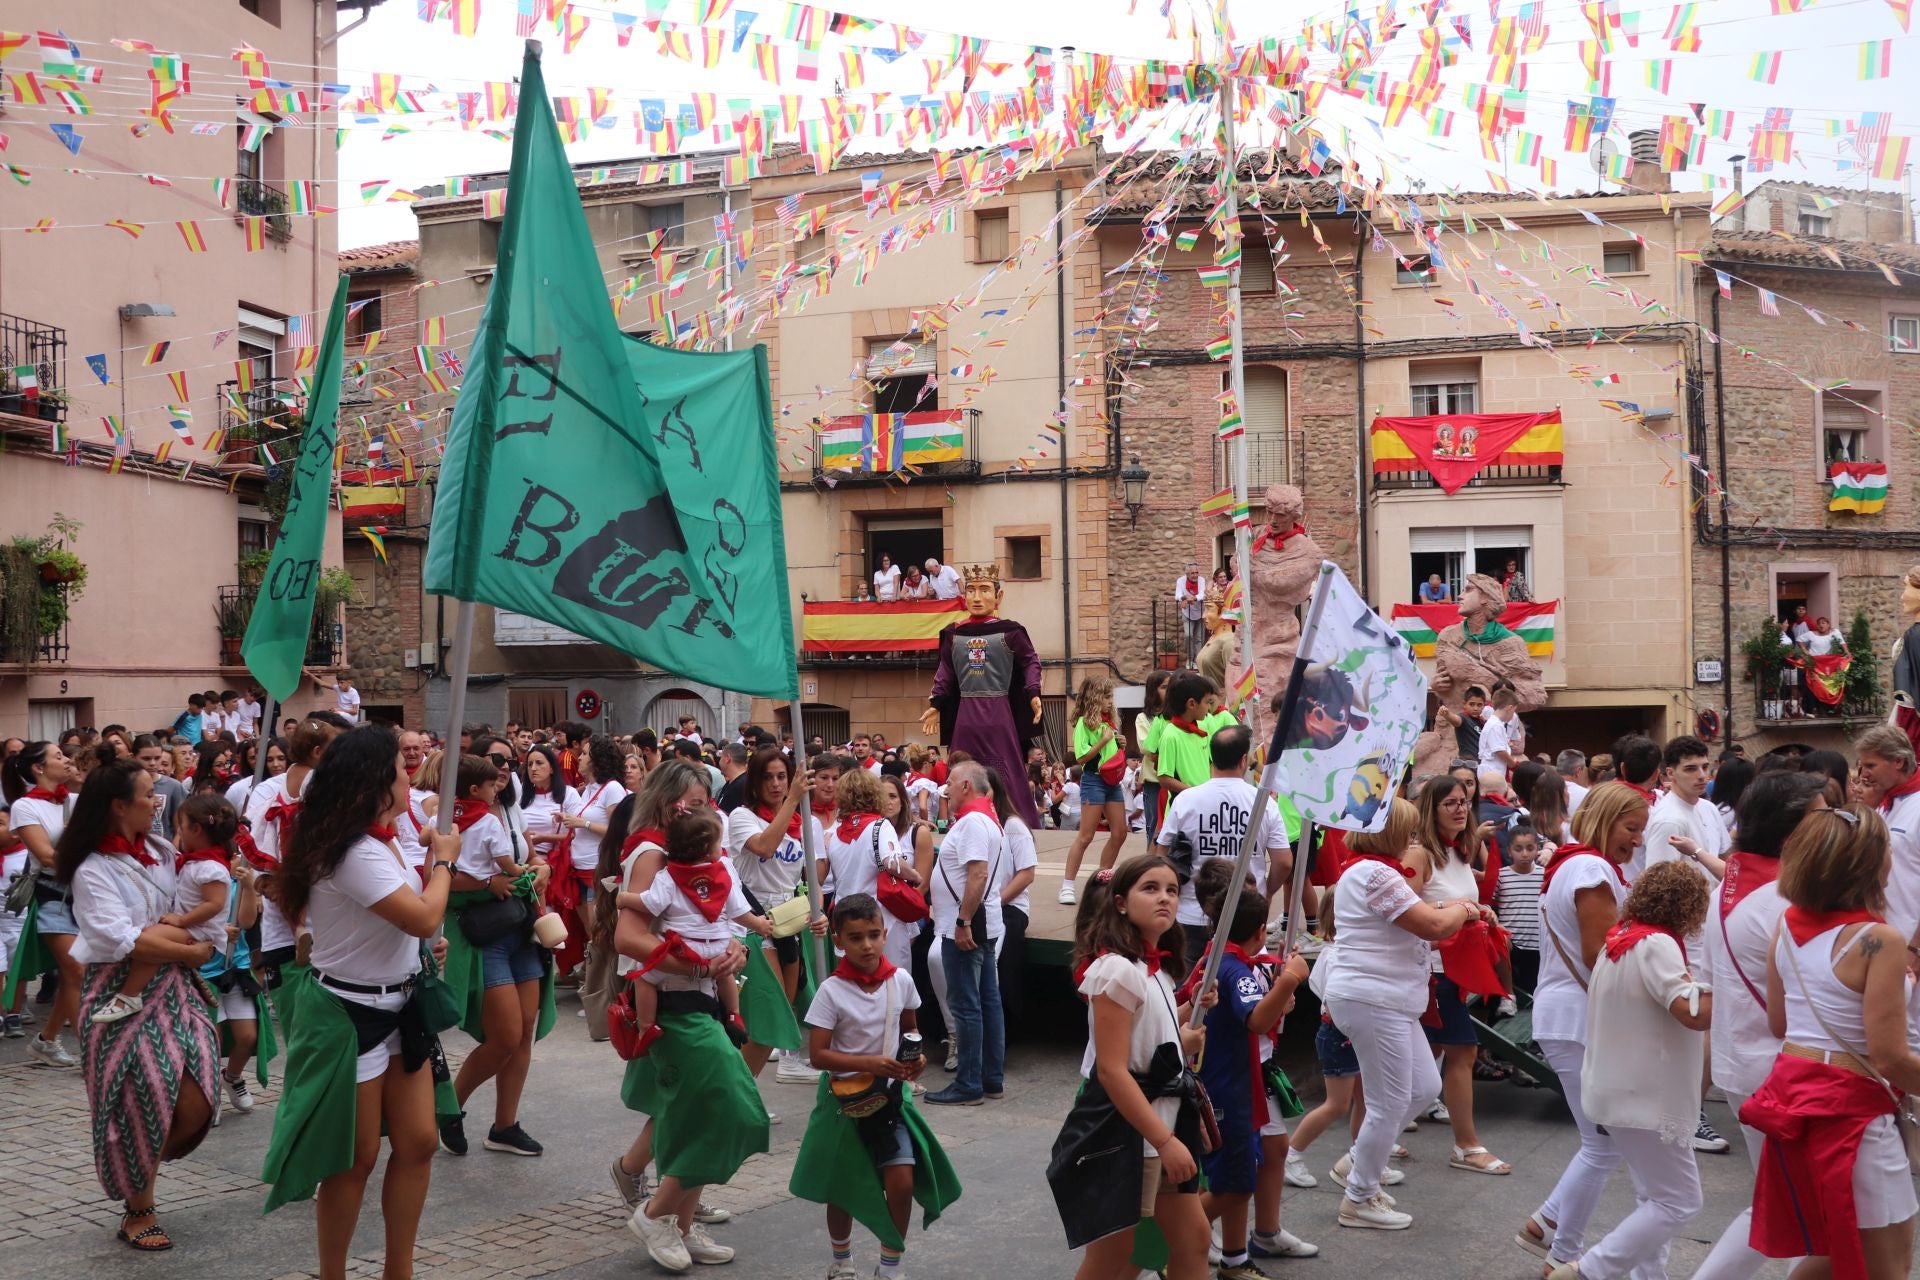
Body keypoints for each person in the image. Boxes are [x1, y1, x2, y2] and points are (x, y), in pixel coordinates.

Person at [258, 725, 459, 1280]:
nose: (409, 774)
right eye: (400, 768)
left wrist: (417, 942)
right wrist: (444, 862)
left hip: (401, 1006)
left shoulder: (382, 837)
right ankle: (334, 1275)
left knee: (418, 1142)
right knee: (355, 1157)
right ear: (374, 779)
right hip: (349, 1013)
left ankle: (401, 1271)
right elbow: (422, 912)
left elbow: (410, 921)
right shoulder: (351, 849)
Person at [1740, 803, 1920, 1280]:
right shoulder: (1879, 939)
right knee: (1890, 1264)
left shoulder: (1785, 925)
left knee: (1843, 1253)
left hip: (1798, 1098)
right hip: (1853, 1112)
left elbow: (1781, 1024)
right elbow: (1889, 1055)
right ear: (1866, 861)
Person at [609, 765, 772, 1273]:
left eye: (708, 800)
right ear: (667, 803)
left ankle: (677, 1221)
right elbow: (629, 939)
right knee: (727, 1107)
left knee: (696, 1109)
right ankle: (658, 1214)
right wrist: (702, 962)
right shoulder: (654, 854)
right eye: (694, 802)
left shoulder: (696, 854)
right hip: (673, 1004)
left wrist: (733, 953)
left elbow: (726, 920)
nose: (705, 810)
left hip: (702, 1000)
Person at [58, 759, 222, 1253]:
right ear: (118, 804)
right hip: (116, 992)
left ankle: (129, 1160)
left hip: (175, 988)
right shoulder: (91, 868)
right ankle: (138, 1207)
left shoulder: (162, 850)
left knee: (196, 1099)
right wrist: (191, 948)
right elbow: (119, 938)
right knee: (142, 1096)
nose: (158, 802)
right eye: (149, 794)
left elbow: (193, 908)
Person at [1311, 796, 1484, 1230]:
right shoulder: (1374, 873)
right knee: (1389, 1100)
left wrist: (1458, 914)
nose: (1411, 840)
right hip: (1376, 998)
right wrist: (1465, 908)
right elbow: (1431, 925)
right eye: (1407, 832)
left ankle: (1358, 1163)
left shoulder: (1369, 870)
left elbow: (1424, 919)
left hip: (1387, 998)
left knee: (1423, 1088)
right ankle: (1359, 1197)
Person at [1049, 855, 1213, 1279]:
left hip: (1162, 1123)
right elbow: (1112, 1070)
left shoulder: (1152, 968)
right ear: (1120, 903)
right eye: (1150, 888)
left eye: (1172, 890)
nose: (1165, 898)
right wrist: (1165, 1141)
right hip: (1132, 1134)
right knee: (1114, 1258)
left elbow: (1148, 1031)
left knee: (1193, 1239)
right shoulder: (1117, 971)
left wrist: (1187, 1012)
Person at [1551, 862, 1714, 1280]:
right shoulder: (1657, 944)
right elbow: (1690, 1012)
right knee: (1679, 1201)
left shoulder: (1619, 940)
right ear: (1688, 907)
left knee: (1656, 1198)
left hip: (1617, 1089)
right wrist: (1727, 986)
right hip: (1645, 1094)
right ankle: (1588, 1270)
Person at [1692, 771, 1825, 1280]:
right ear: (1791, 834)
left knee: (1783, 1208)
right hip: (1780, 1070)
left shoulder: (1731, 883)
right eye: (1822, 816)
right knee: (1807, 1217)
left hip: (1743, 1064)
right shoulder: (1784, 902)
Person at [1512, 782, 1649, 1270]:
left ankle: (1547, 1228)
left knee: (1601, 1145)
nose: (1635, 842)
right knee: (1602, 1146)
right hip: (1579, 1018)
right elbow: (1601, 955)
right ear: (1605, 818)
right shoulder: (1591, 868)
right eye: (1630, 829)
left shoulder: (1574, 863)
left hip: (1566, 1015)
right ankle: (1560, 1253)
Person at [789, 893, 961, 1280]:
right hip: (842, 1099)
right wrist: (867, 1063)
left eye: (873, 935)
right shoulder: (831, 991)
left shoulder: (900, 980)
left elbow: (911, 1030)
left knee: (901, 1180)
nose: (866, 945)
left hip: (890, 1099)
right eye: (855, 937)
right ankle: (841, 1260)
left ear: (885, 935)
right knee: (843, 1185)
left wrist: (916, 1059)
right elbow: (818, 1055)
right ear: (838, 940)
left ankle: (890, 1266)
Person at [1190, 877, 1315, 1277]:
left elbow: (1263, 1010)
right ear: (1261, 930)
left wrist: (1280, 993)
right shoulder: (1233, 968)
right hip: (1233, 1086)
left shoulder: (1218, 957)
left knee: (1240, 1174)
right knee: (1235, 1184)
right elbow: (1257, 1019)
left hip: (1236, 1082)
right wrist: (1293, 978)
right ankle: (1172, 1242)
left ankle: (1235, 1258)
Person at [439, 748, 552, 1158]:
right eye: (495, 765)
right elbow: (437, 877)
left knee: (522, 1033)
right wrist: (488, 884)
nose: (504, 771)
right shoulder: (449, 817)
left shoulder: (509, 811)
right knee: (503, 1036)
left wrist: (542, 869)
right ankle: (448, 1105)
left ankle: (505, 1125)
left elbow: (530, 857)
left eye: (508, 763)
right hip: (482, 931)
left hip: (521, 927)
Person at [1406, 775, 1509, 1175]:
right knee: (1463, 1051)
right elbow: (1401, 904)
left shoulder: (1462, 852)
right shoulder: (1420, 855)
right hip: (1432, 971)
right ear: (1431, 809)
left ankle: (1369, 1142)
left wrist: (1481, 910)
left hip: (1458, 967)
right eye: (1450, 802)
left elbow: (1468, 895)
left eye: (1464, 801)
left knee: (1425, 1057)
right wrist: (1462, 906)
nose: (1461, 808)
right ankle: (1467, 1146)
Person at [619, 809, 769, 1056]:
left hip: (686, 947)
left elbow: (651, 903)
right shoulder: (723, 874)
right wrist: (759, 925)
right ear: (709, 849)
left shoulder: (668, 875)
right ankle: (734, 1013)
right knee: (725, 975)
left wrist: (625, 898)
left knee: (643, 976)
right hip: (719, 944)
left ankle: (646, 1027)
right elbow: (739, 911)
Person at [1156, 724, 1293, 967]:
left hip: (1192, 912)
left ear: (1211, 757)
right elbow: (1283, 862)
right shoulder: (1264, 802)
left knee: (1190, 994)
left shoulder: (1185, 800)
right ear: (1243, 759)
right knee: (1246, 995)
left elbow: (1161, 854)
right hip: (1246, 914)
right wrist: (1266, 891)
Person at [725, 745, 816, 1074]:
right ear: (754, 782)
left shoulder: (802, 822)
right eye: (768, 777)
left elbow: (810, 876)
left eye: (782, 777)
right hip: (754, 925)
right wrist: (792, 798)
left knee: (782, 1014)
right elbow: (764, 846)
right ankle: (740, 1096)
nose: (776, 784)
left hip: (789, 925)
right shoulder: (741, 817)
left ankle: (745, 1093)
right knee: (768, 1015)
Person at [923, 761, 1005, 1106]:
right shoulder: (986, 819)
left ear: (967, 786)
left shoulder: (972, 822)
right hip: (978, 924)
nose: (946, 789)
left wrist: (962, 921)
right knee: (987, 1002)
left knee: (968, 1006)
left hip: (964, 928)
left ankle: (969, 1083)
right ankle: (990, 1079)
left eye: (951, 783)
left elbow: (977, 875)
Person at [3, 740, 85, 1067]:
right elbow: (46, 856)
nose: (66, 761)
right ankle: (91, 1055)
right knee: (77, 970)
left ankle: (46, 1040)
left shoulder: (76, 800)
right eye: (59, 756)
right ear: (39, 768)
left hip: (85, 893)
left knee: (72, 975)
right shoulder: (25, 806)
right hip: (51, 895)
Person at [824, 767, 922, 976]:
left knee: (855, 983)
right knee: (893, 980)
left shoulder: (833, 832)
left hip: (846, 919)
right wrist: (914, 875)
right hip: (879, 918)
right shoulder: (880, 826)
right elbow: (892, 863)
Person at [1848, 724, 1920, 955]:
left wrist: (1915, 949)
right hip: (1885, 942)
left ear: (1898, 761)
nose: (1864, 774)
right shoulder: (1884, 806)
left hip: (1911, 947)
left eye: (1871, 765)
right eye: (1862, 766)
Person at [1141, 671, 1235, 840]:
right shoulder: (1171, 735)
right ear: (1192, 704)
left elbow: (1211, 764)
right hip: (1183, 811)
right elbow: (1164, 778)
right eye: (1207, 702)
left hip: (1204, 807)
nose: (1209, 708)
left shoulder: (1202, 727)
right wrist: (1195, 792)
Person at [1061, 676, 1130, 901]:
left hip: (1112, 783)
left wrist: (1119, 746)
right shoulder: (1084, 723)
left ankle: (1101, 879)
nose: (1111, 701)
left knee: (1120, 833)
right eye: (1107, 697)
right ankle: (1067, 885)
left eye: (1111, 697)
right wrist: (1103, 741)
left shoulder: (1107, 723)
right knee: (1086, 835)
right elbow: (1081, 757)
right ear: (1095, 698)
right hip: (1093, 780)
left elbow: (1110, 757)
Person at [1495, 824, 1544, 1005]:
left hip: (1537, 945)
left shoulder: (1545, 875)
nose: (1524, 854)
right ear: (1509, 851)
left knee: (1533, 991)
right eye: (1518, 849)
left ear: (1537, 849)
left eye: (1530, 848)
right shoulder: (1501, 876)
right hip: (1511, 946)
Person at [1135, 671, 1169, 845]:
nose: (1168, 690)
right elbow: (1147, 747)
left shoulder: (1175, 716)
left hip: (1175, 780)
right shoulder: (1143, 718)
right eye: (1164, 687)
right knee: (1154, 826)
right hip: (1154, 781)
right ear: (1153, 691)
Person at [1175, 563, 1208, 662]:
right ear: (1187, 574)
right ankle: (1190, 659)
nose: (1195, 575)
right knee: (1188, 635)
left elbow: (1203, 594)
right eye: (1192, 573)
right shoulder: (1181, 581)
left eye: (1197, 572)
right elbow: (1177, 595)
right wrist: (1184, 598)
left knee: (1199, 638)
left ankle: (1198, 661)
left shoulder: (1201, 580)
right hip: (1187, 612)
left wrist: (1191, 599)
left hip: (1200, 612)